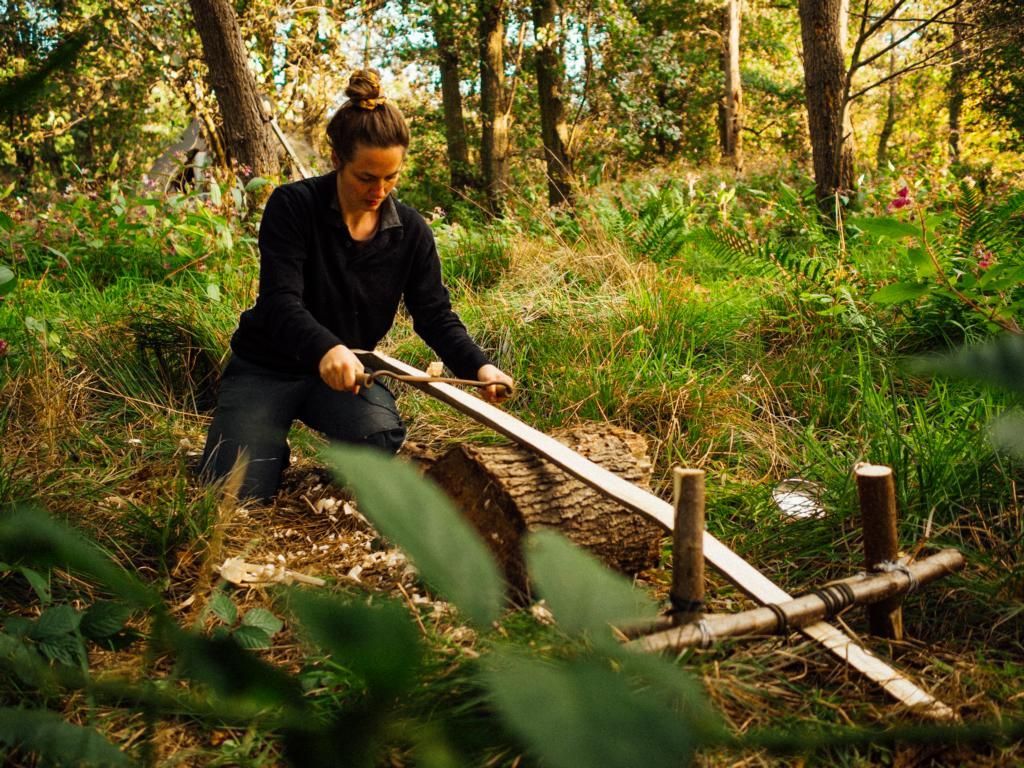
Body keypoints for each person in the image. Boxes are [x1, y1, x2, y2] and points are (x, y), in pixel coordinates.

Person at [200, 69, 514, 502]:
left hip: (345, 377)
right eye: (366, 177)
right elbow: (279, 302)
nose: (379, 190)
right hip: (265, 368)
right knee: (234, 491)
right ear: (337, 159)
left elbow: (435, 315)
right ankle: (262, 442)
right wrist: (327, 348)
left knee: (379, 437)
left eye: (391, 178)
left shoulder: (411, 230)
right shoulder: (293, 206)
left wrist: (479, 367)